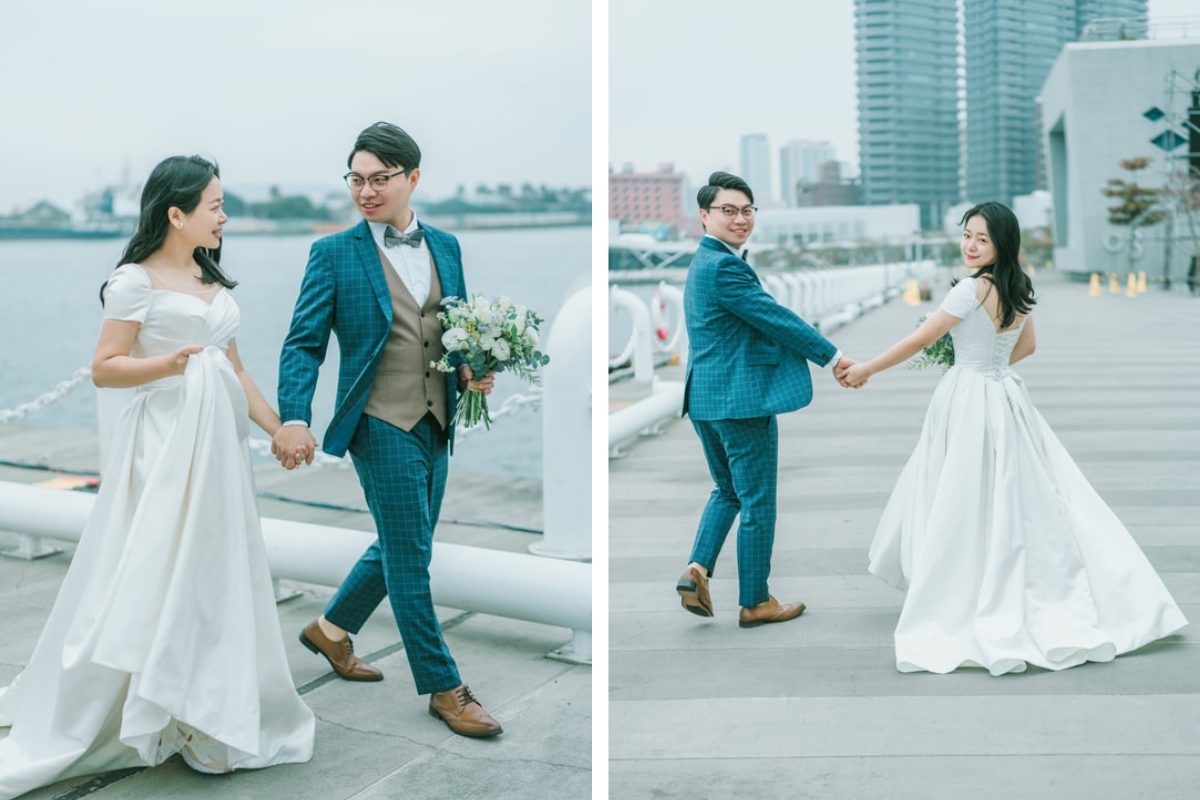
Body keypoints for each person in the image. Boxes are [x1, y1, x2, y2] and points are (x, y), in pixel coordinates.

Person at [0, 156, 315, 798]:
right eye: (214, 206)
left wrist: (279, 427)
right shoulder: (133, 282)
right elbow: (105, 367)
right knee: (157, 571)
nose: (225, 216)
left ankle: (204, 711)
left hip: (218, 448)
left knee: (210, 572)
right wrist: (168, 364)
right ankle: (161, 706)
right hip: (165, 446)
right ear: (176, 213)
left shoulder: (209, 276)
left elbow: (236, 370)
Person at [839, 201, 1188, 675]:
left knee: (963, 492)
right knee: (1019, 491)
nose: (970, 245)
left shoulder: (969, 289)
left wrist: (865, 369)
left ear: (1001, 243)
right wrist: (992, 369)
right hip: (1004, 395)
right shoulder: (1018, 285)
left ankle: (964, 584)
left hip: (967, 396)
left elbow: (919, 340)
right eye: (967, 235)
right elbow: (1028, 345)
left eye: (981, 239)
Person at [273, 122, 501, 737]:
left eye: (379, 179)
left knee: (410, 541)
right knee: (409, 557)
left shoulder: (446, 246)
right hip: (378, 422)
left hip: (437, 418)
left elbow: (458, 330)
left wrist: (475, 370)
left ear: (412, 179)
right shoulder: (333, 253)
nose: (366, 191)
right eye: (357, 179)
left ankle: (329, 630)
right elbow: (303, 343)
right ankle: (444, 687)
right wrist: (295, 414)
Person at [676, 171, 859, 628]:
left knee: (727, 490)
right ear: (704, 215)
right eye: (728, 211)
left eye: (747, 210)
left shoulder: (703, 260)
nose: (740, 219)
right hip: (740, 403)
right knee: (757, 501)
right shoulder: (725, 266)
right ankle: (756, 600)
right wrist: (831, 355)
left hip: (704, 398)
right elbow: (774, 317)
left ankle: (697, 569)